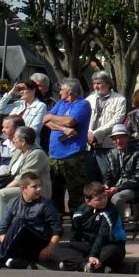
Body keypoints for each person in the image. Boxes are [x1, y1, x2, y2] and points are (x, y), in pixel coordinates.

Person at [0, 174, 62, 270]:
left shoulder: (46, 204)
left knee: (20, 222)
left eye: (39, 185)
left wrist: (49, 248)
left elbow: (57, 229)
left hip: (36, 244)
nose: (39, 189)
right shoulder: (12, 203)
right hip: (16, 244)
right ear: (23, 189)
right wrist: (7, 245)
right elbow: (2, 229)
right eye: (34, 186)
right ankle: (10, 262)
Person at [49, 181, 127, 272]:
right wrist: (75, 248)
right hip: (89, 245)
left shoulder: (111, 210)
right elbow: (75, 234)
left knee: (109, 253)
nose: (103, 201)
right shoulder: (81, 211)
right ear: (88, 201)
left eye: (105, 196)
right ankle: (84, 264)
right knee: (54, 248)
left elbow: (102, 236)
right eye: (99, 199)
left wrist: (93, 255)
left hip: (109, 244)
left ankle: (75, 262)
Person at [42, 78, 92, 215]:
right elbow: (45, 120)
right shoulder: (60, 103)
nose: (59, 92)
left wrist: (52, 118)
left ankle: (78, 223)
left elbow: (70, 121)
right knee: (55, 192)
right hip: (54, 155)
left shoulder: (82, 104)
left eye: (62, 89)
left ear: (69, 91)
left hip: (73, 156)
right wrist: (62, 129)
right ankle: (57, 223)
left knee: (75, 193)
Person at [100, 124, 139, 217]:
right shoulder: (111, 153)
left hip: (136, 188)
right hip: (116, 188)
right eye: (115, 138)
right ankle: (105, 226)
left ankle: (118, 228)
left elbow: (138, 178)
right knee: (97, 195)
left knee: (116, 198)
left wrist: (117, 188)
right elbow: (108, 174)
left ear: (128, 138)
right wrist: (106, 185)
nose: (119, 141)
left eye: (122, 137)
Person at [86, 71, 127, 180]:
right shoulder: (88, 100)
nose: (96, 86)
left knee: (107, 179)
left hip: (107, 146)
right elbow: (83, 119)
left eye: (99, 83)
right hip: (89, 146)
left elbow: (116, 120)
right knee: (90, 180)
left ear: (108, 84)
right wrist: (88, 133)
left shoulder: (120, 100)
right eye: (94, 83)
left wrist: (95, 134)